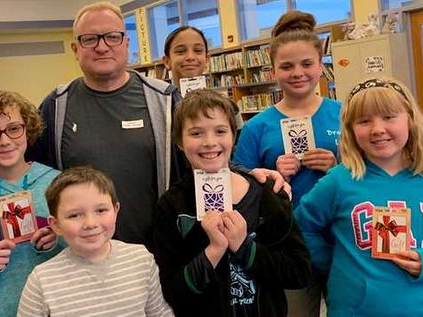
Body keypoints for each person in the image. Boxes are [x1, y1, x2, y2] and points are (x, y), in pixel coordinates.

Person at [26, 2, 288, 247]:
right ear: (76, 49)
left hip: (157, 250)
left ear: (126, 42)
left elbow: (200, 149)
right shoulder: (56, 105)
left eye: (112, 36)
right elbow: (31, 170)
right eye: (90, 38)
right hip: (83, 253)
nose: (102, 46)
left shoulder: (164, 99)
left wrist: (246, 174)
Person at [153, 89, 311, 317]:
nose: (209, 142)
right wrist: (214, 250)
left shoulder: (268, 194)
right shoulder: (172, 206)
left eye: (220, 131)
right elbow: (171, 292)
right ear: (179, 141)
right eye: (196, 133)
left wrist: (245, 248)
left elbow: (299, 273)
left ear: (233, 137)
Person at [232, 11, 341, 315]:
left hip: (343, 242)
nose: (298, 73)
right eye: (287, 66)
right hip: (286, 245)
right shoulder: (258, 126)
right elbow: (239, 186)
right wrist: (270, 177)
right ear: (273, 71)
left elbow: (368, 170)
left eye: (307, 64)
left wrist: (338, 166)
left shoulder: (344, 114)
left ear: (321, 65)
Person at [295, 76, 423, 316]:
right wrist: (333, 261)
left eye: (389, 117)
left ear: (410, 120)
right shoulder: (339, 180)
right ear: (351, 130)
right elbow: (301, 226)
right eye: (364, 121)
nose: (377, 129)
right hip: (355, 308)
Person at [0, 90, 65, 317]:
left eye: (14, 129)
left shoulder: (59, 183)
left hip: (62, 307)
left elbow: (89, 253)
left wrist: (61, 240)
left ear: (28, 129)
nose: (5, 141)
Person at [17, 166, 174, 317]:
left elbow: (159, 313)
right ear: (56, 225)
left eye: (101, 210)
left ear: (115, 210)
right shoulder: (42, 280)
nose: (90, 223)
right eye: (74, 215)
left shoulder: (141, 259)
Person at [162, 26, 244, 141]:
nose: (190, 57)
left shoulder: (228, 106)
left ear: (206, 59)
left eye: (198, 51)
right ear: (167, 61)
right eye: (180, 51)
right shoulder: (159, 107)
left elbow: (239, 147)